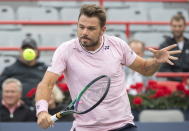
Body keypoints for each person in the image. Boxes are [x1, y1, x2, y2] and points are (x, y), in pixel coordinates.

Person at [35, 4, 181, 131]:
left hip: (122, 125)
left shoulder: (117, 45)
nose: (84, 32)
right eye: (81, 27)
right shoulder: (65, 50)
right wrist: (42, 111)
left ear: (103, 29)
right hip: (85, 127)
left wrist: (156, 61)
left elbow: (145, 69)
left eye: (91, 28)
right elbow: (46, 83)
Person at [0, 34, 47, 105]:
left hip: (40, 106)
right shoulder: (9, 70)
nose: (27, 51)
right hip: (17, 108)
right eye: (25, 48)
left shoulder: (45, 69)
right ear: (20, 51)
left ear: (37, 51)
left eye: (31, 48)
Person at [159, 14, 189, 84]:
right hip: (172, 83)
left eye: (180, 26)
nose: (177, 29)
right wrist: (182, 79)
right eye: (175, 26)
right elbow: (163, 68)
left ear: (185, 27)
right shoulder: (165, 45)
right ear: (171, 27)